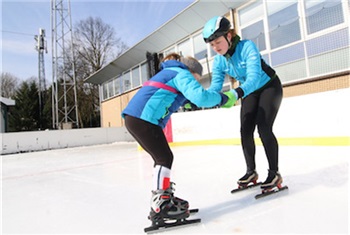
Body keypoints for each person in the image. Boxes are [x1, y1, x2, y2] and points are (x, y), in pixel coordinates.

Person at [121, 53, 235, 224]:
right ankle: (161, 204)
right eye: (197, 78)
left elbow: (182, 100)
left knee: (162, 159)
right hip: (143, 118)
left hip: (137, 117)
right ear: (192, 71)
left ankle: (163, 197)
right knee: (164, 158)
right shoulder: (182, 73)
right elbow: (200, 97)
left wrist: (192, 103)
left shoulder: (171, 72)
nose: (196, 82)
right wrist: (223, 98)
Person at [202, 16, 284, 191]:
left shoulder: (247, 47)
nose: (216, 48)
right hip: (249, 92)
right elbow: (216, 86)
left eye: (218, 42)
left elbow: (254, 78)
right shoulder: (218, 60)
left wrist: (235, 93)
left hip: (269, 86)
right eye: (212, 45)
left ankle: (274, 173)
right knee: (245, 130)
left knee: (264, 128)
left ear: (229, 36)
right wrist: (201, 98)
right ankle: (251, 171)